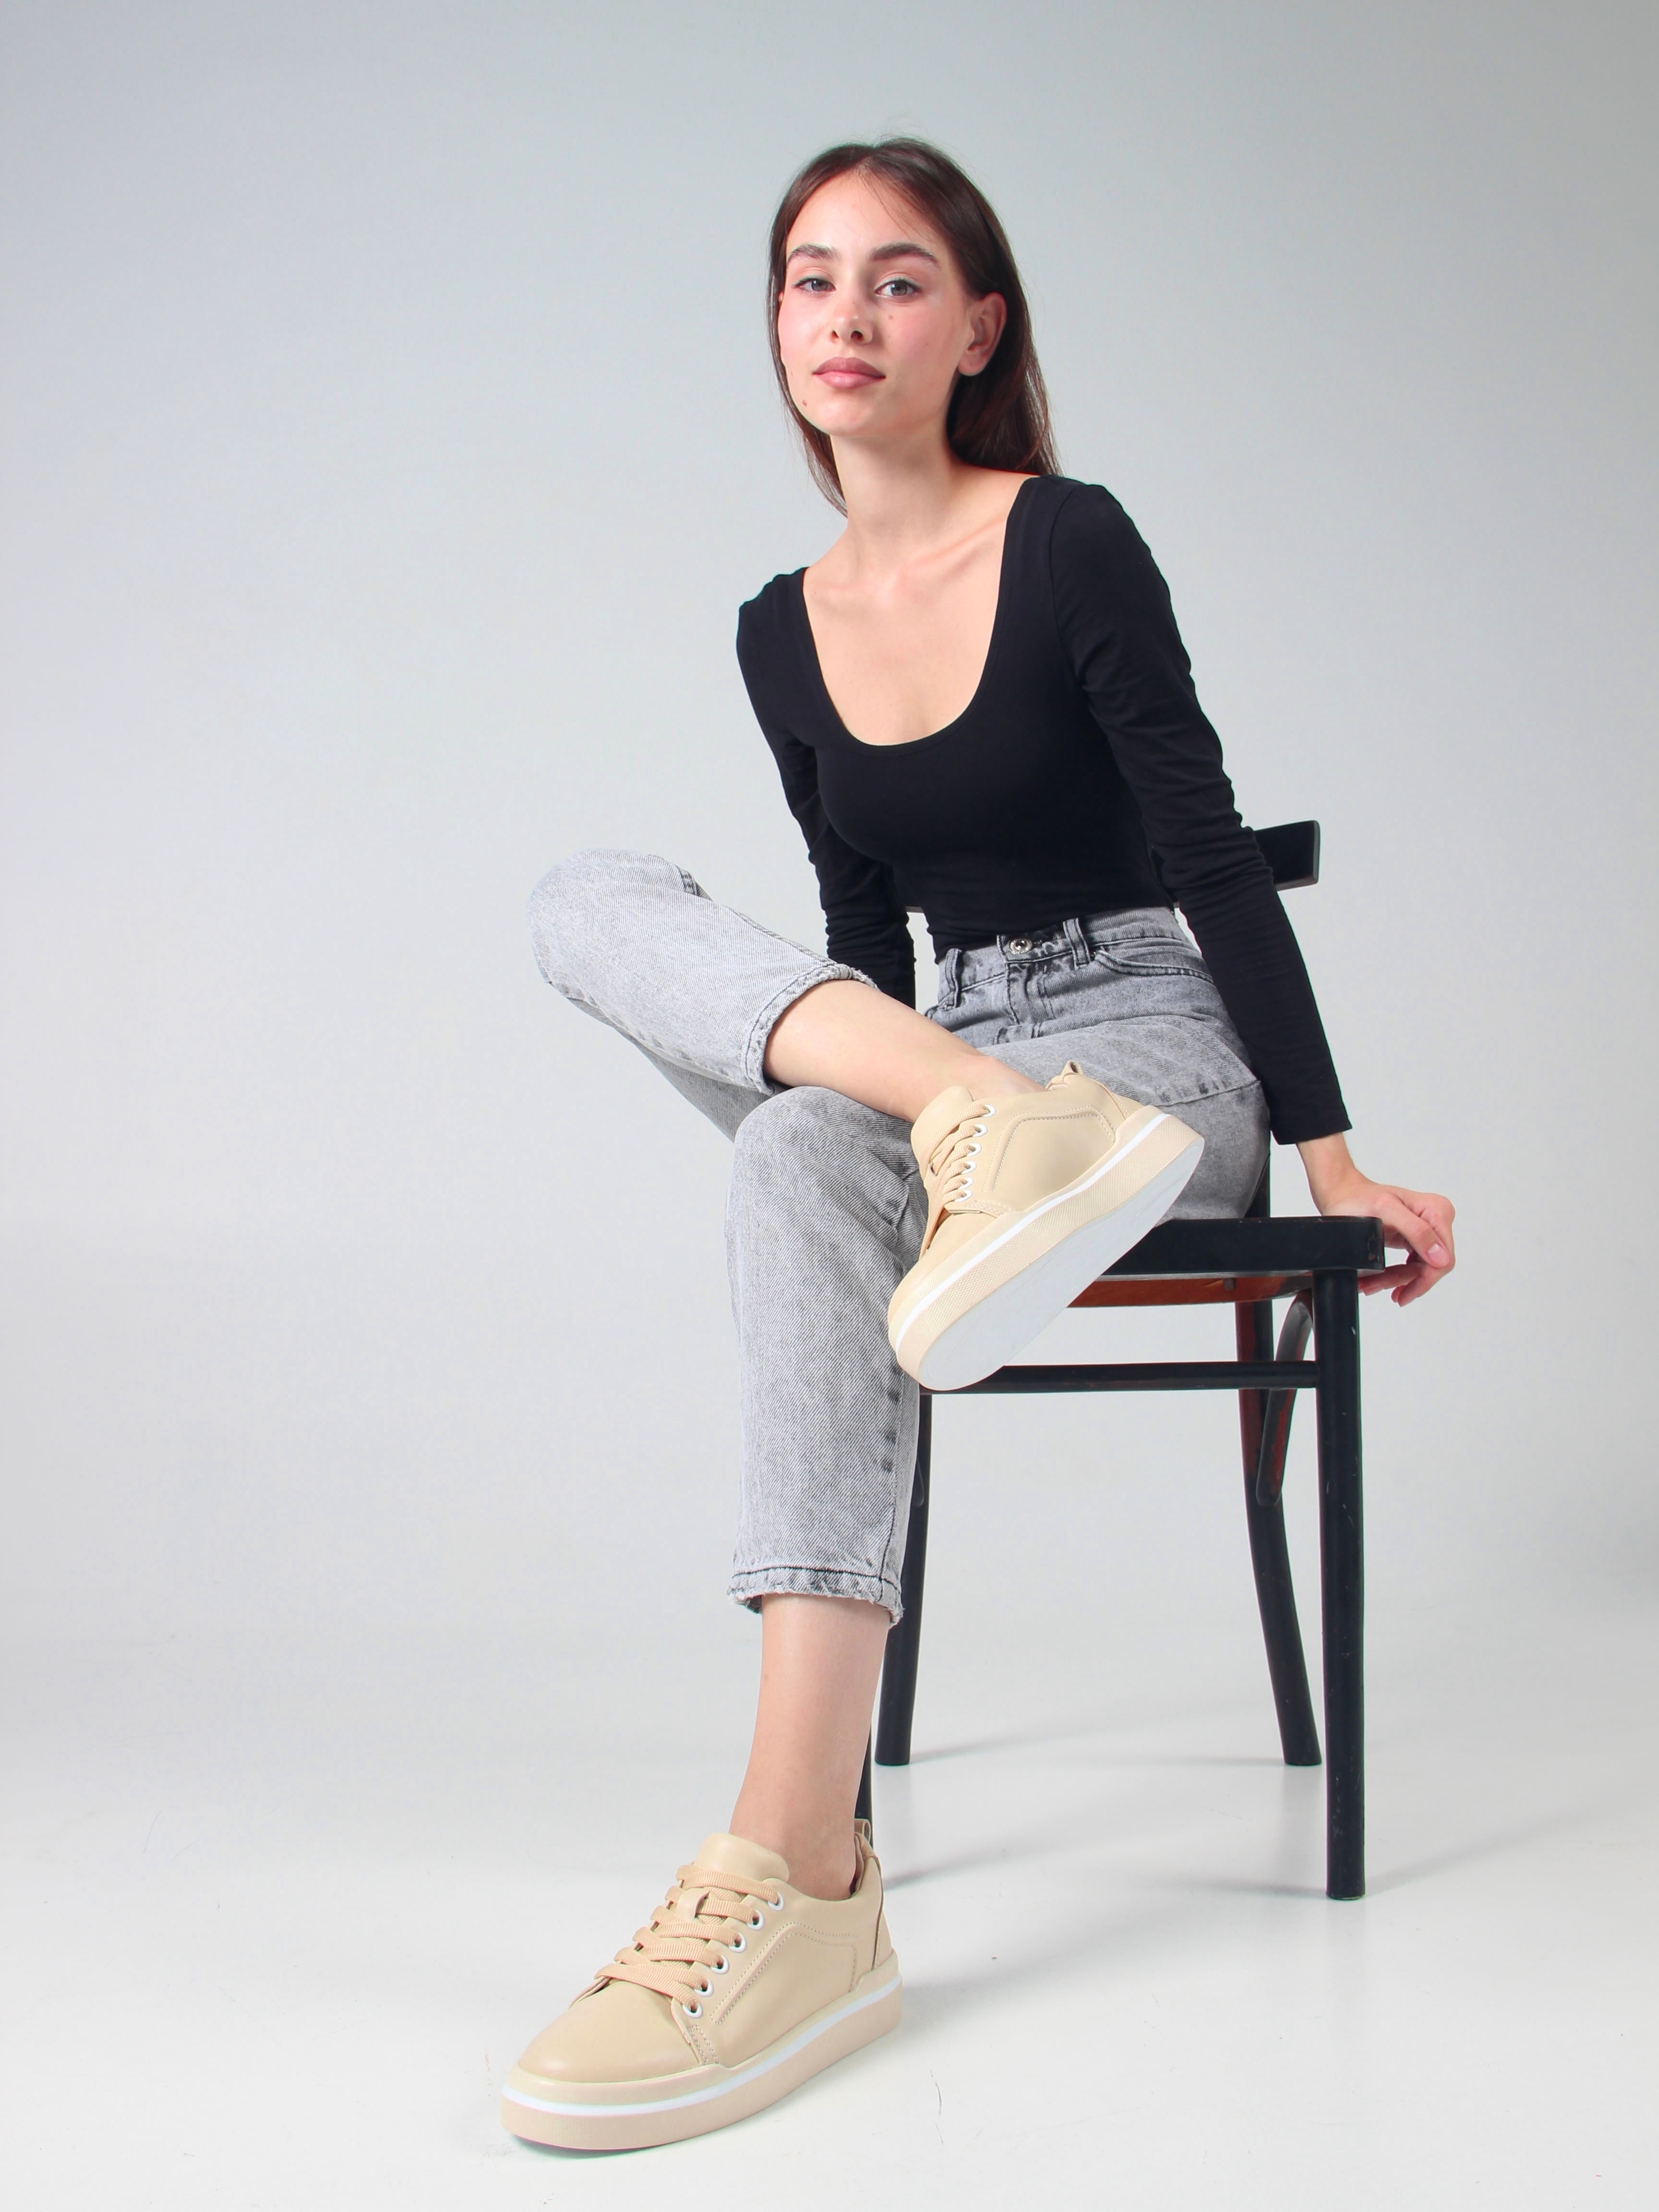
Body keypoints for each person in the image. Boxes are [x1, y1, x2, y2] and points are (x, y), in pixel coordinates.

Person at [499, 138, 1455, 2153]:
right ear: (778, 326)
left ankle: (789, 1875)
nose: (847, 314)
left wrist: (1334, 1157)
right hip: (959, 1058)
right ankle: (985, 1135)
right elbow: (856, 938)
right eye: (811, 277)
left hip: (1151, 1058)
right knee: (595, 908)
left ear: (977, 329)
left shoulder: (1072, 541)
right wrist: (927, 1085)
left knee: (796, 1159)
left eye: (900, 278)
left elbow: (1209, 854)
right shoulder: (779, 632)